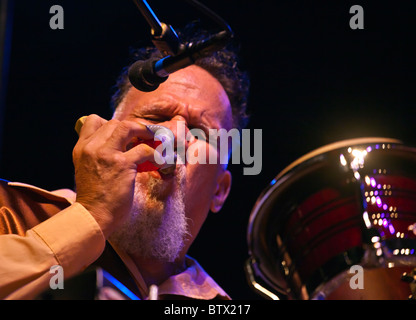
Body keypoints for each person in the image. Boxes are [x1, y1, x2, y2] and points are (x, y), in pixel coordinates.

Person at [0, 26, 250, 300]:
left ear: (219, 191)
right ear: (101, 138)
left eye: (199, 132)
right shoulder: (11, 211)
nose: (173, 137)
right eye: (155, 118)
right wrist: (91, 216)